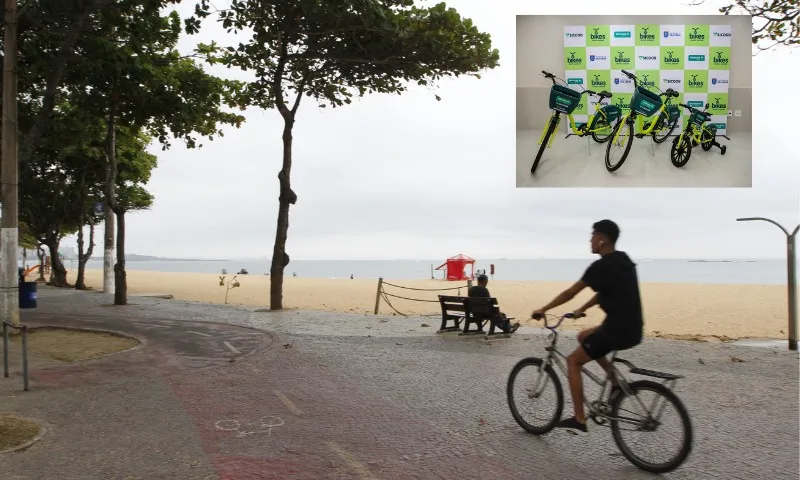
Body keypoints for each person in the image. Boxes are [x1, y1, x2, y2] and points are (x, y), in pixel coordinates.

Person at [531, 220, 643, 435]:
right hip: (633, 328)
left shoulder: (600, 266)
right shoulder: (623, 260)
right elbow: (605, 292)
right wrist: (581, 309)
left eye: (592, 236)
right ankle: (615, 383)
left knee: (572, 361)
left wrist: (544, 308)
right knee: (584, 336)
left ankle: (579, 418)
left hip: (615, 331)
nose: (590, 240)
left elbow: (570, 292)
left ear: (601, 239)